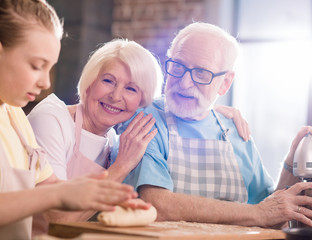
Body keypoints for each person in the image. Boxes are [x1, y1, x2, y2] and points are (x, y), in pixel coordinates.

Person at [0, 1, 147, 239]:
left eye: (50, 68)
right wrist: (57, 195)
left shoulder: (14, 117)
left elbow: (49, 185)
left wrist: (104, 194)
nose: (46, 82)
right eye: (37, 66)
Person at [27, 38, 250, 232]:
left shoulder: (114, 141)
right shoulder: (52, 119)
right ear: (90, 80)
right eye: (108, 81)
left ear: (142, 102)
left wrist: (211, 112)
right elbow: (55, 220)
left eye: (131, 89)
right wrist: (121, 167)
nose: (116, 96)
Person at [115, 22, 312, 228]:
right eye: (178, 66)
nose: (184, 83)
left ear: (225, 83)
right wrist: (256, 213)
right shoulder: (145, 119)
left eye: (201, 73)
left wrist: (290, 164)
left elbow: (270, 214)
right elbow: (156, 203)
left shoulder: (235, 130)